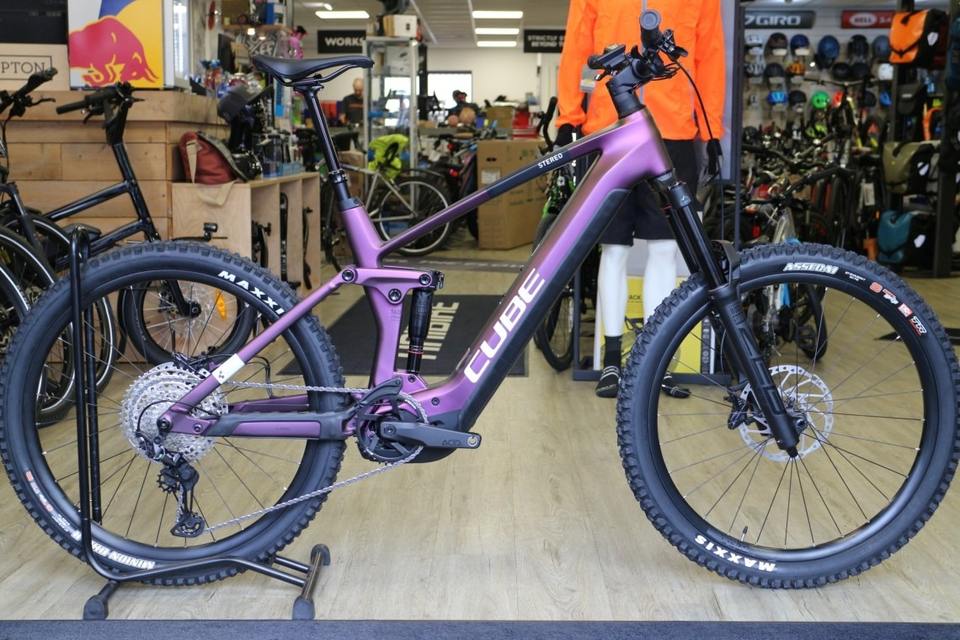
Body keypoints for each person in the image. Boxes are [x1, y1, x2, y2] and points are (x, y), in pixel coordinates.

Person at [555, 0, 725, 398]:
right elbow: (576, 49)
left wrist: (711, 128)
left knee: (664, 249)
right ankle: (612, 360)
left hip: (673, 132)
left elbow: (711, 58)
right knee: (612, 248)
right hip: (609, 128)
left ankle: (653, 361)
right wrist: (569, 117)